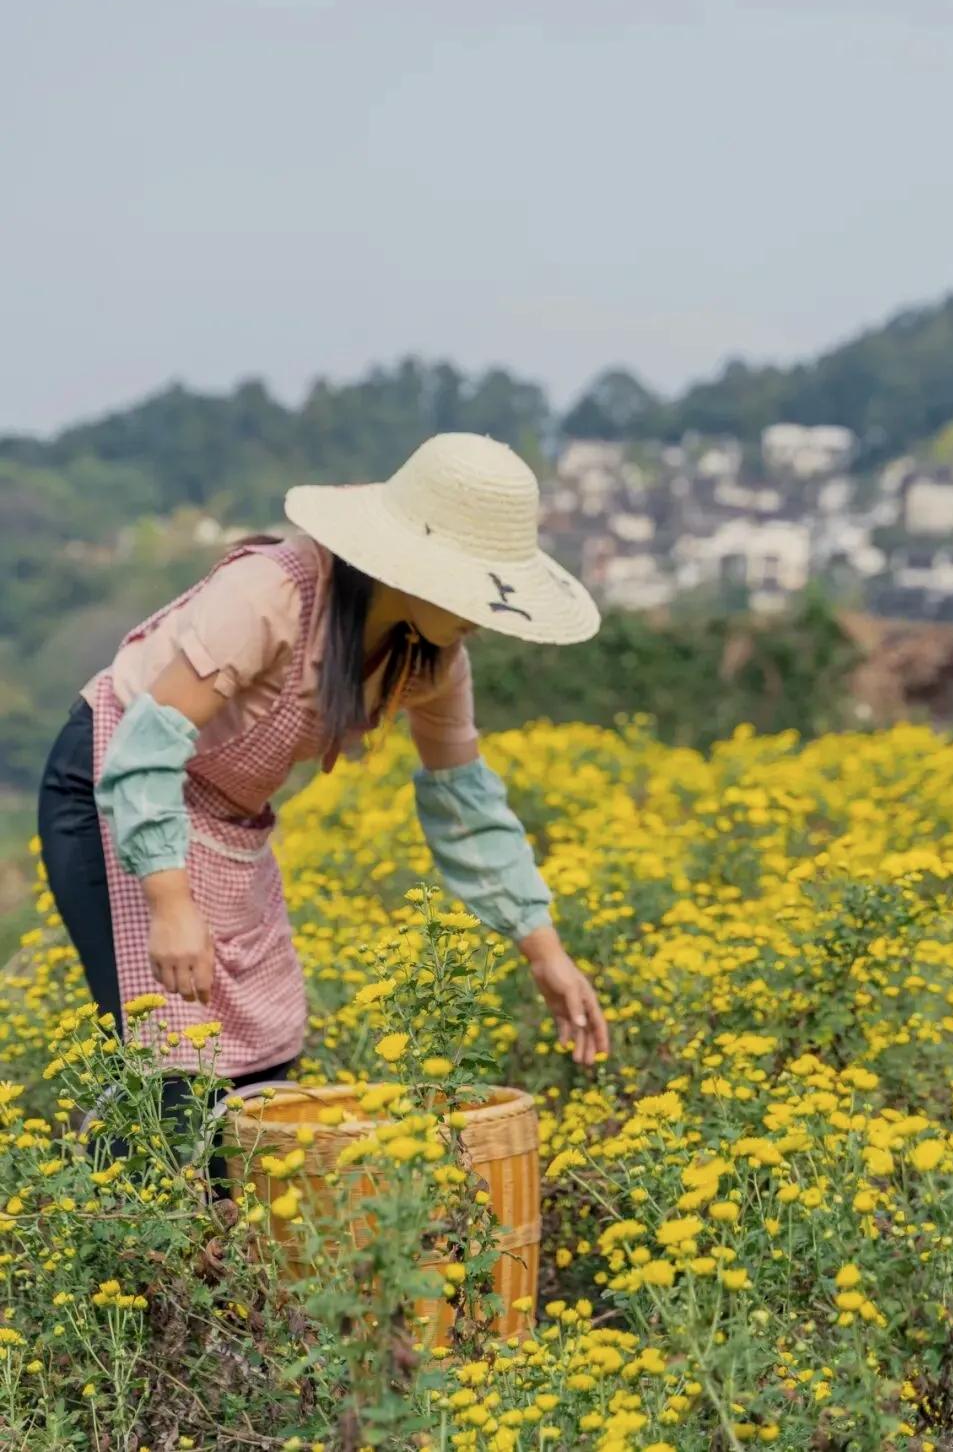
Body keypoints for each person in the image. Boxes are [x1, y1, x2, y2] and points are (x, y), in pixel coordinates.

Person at [38, 433, 609, 1150]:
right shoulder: (272, 593)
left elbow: (467, 804)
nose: (483, 614)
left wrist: (545, 952)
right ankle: (108, 1203)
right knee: (171, 1065)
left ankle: (215, 1217)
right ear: (412, 565)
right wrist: (170, 903)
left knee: (265, 1061)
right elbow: (146, 746)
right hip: (115, 785)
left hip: (226, 821)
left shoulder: (431, 661)